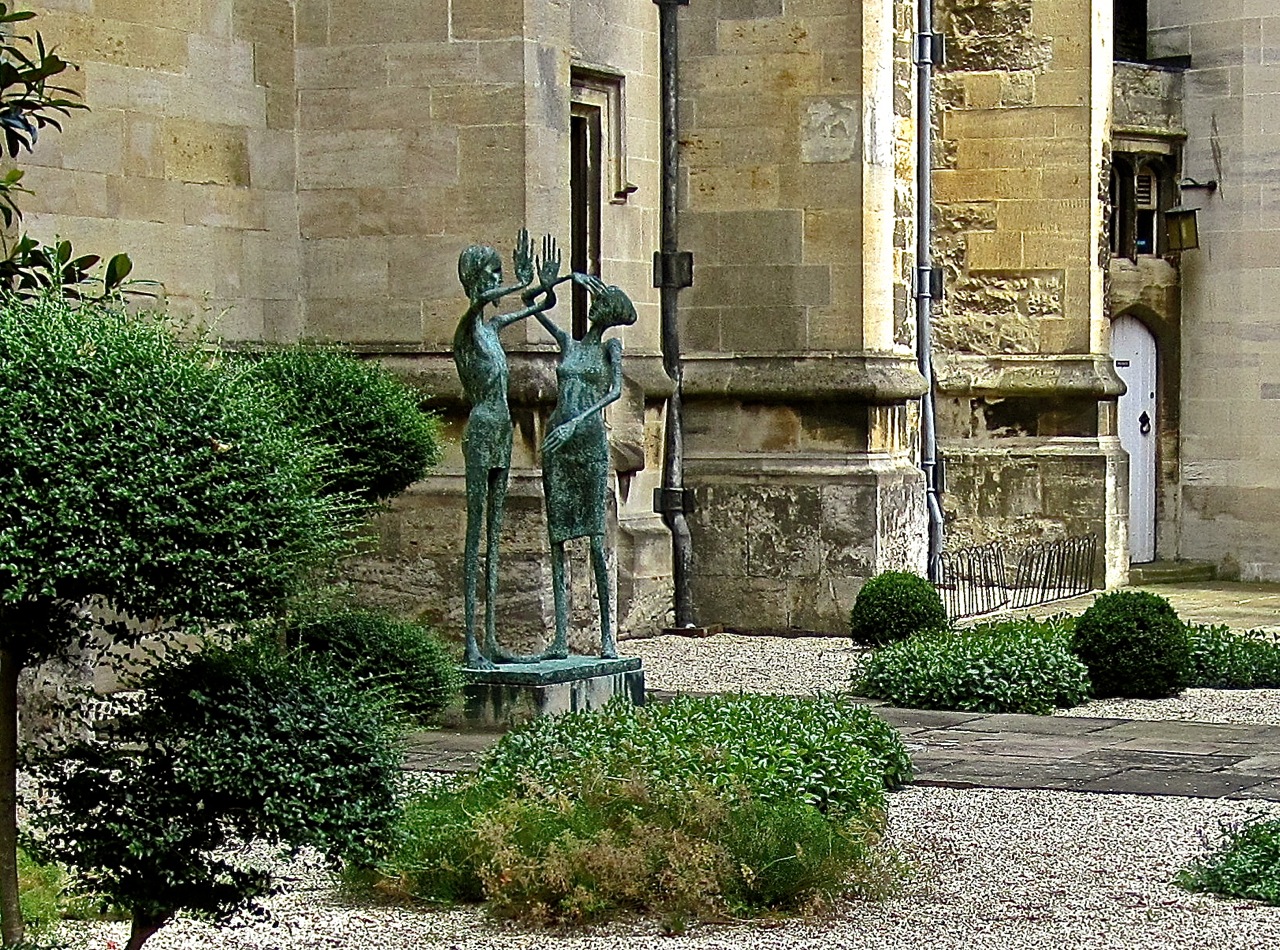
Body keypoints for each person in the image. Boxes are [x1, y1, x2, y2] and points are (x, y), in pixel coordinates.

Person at [454, 230, 559, 669]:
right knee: (475, 535)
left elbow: (540, 307)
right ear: (476, 277)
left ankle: (492, 638)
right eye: (492, 272)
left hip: (501, 430)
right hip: (481, 430)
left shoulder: (494, 330)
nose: (498, 280)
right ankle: (471, 642)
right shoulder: (467, 330)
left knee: (496, 536)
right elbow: (480, 302)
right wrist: (519, 281)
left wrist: (542, 286)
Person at [533, 274, 637, 659]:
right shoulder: (568, 343)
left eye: (601, 302)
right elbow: (531, 307)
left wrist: (577, 421)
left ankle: (607, 636)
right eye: (596, 300)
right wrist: (554, 282)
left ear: (610, 312)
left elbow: (614, 390)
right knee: (558, 538)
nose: (594, 305)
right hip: (558, 443)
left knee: (595, 539)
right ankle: (560, 638)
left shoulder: (610, 348)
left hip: (588, 440)